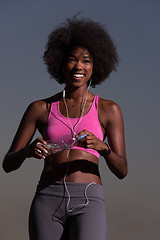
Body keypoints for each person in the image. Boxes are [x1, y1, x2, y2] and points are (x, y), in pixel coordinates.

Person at [3, 16, 128, 240]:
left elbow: (122, 171)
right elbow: (8, 164)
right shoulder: (40, 108)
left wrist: (104, 148)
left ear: (96, 66)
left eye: (86, 61)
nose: (79, 66)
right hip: (47, 199)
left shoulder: (109, 109)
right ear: (60, 63)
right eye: (72, 59)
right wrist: (27, 151)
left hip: (89, 201)